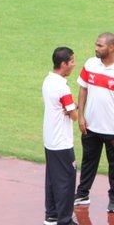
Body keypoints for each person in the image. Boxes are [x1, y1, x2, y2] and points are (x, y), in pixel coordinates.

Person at [75, 33, 114, 213]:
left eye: (100, 46)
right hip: (90, 126)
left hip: (111, 129)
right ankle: (82, 194)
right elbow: (83, 89)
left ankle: (113, 200)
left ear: (111, 48)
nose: (96, 48)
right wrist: (81, 116)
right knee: (88, 162)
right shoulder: (91, 64)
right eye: (96, 45)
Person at [44, 46, 79, 225]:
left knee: (52, 177)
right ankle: (65, 220)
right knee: (66, 180)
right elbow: (74, 116)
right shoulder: (63, 87)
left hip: (50, 140)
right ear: (63, 64)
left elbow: (64, 107)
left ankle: (51, 215)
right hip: (62, 142)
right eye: (72, 61)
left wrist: (70, 108)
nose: (74, 64)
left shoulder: (48, 81)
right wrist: (74, 109)